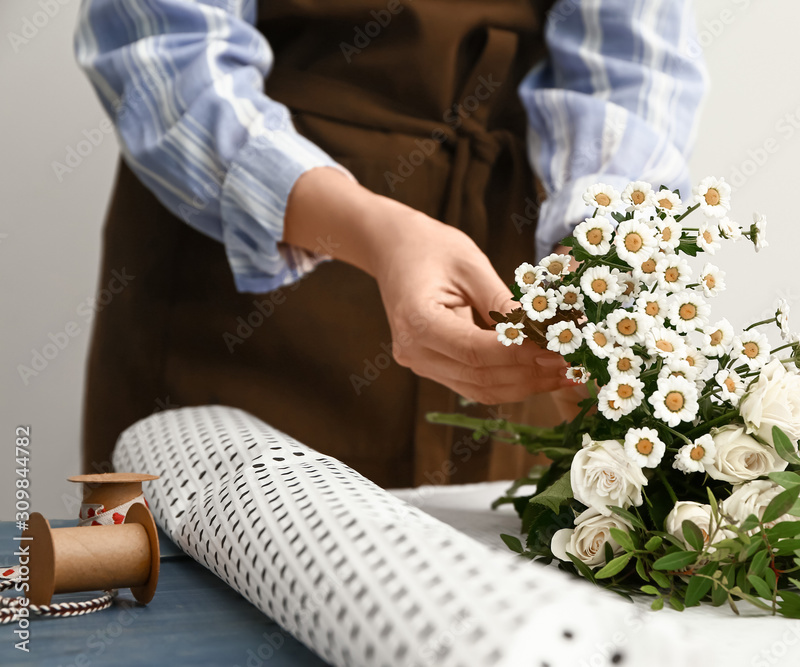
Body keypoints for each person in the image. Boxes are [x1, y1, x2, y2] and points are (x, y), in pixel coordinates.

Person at [74, 0, 706, 488]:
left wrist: (592, 267)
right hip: (237, 272)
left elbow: (633, 64)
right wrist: (373, 231)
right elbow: (159, 53)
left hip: (505, 279)